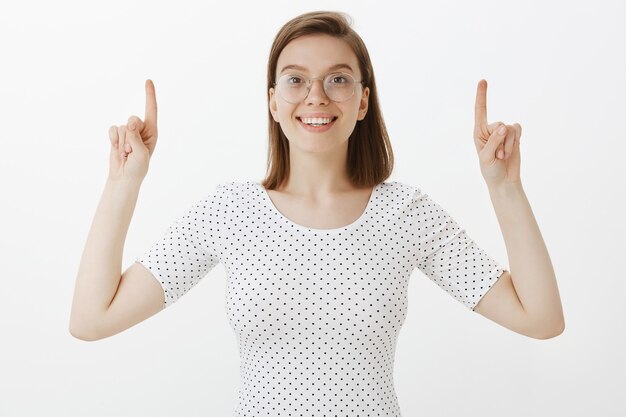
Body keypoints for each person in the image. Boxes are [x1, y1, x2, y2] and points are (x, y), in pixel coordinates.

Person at [69, 10, 565, 416]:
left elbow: (540, 318)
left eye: (338, 79)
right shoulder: (230, 212)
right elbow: (93, 319)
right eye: (296, 80)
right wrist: (122, 183)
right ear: (273, 102)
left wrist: (504, 187)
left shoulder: (406, 214)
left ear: (363, 101)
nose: (316, 96)